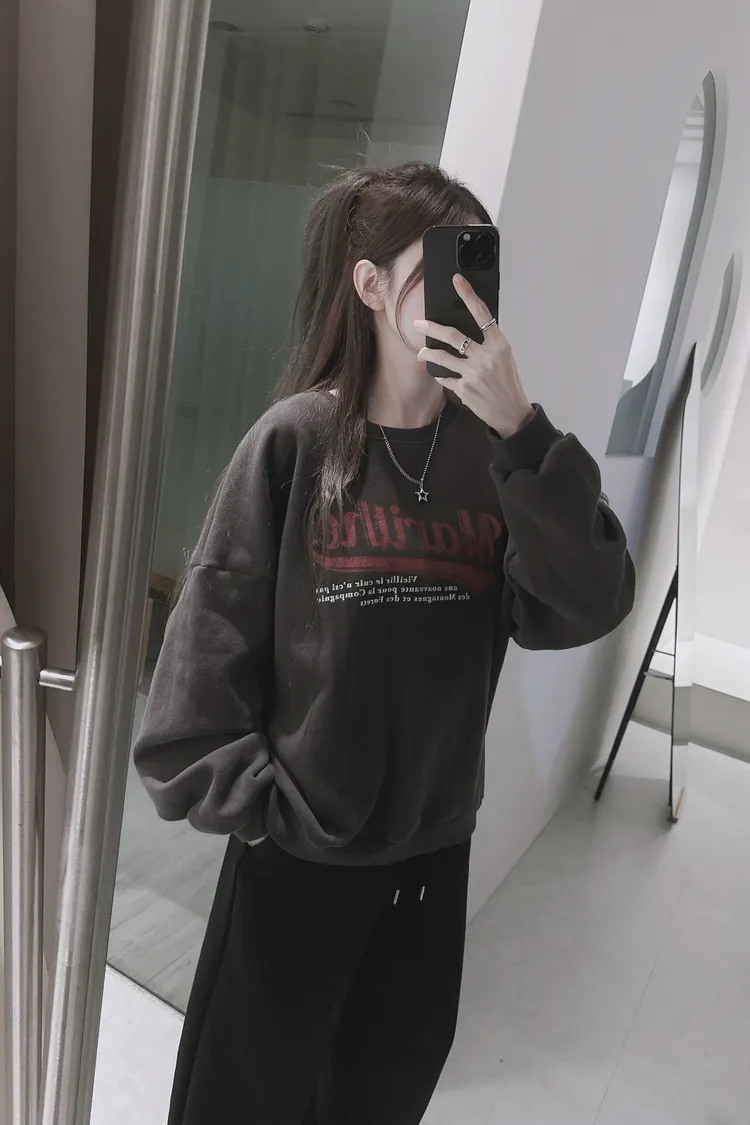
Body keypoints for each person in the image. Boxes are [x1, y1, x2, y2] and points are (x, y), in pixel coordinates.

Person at [134, 160, 636, 1125]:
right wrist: (273, 817)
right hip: (297, 867)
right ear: (369, 285)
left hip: (430, 870)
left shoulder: (499, 458)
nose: (465, 296)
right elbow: (195, 684)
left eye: (478, 270)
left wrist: (523, 431)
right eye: (439, 269)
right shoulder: (292, 443)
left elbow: (587, 602)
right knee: (242, 1104)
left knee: (380, 1101)